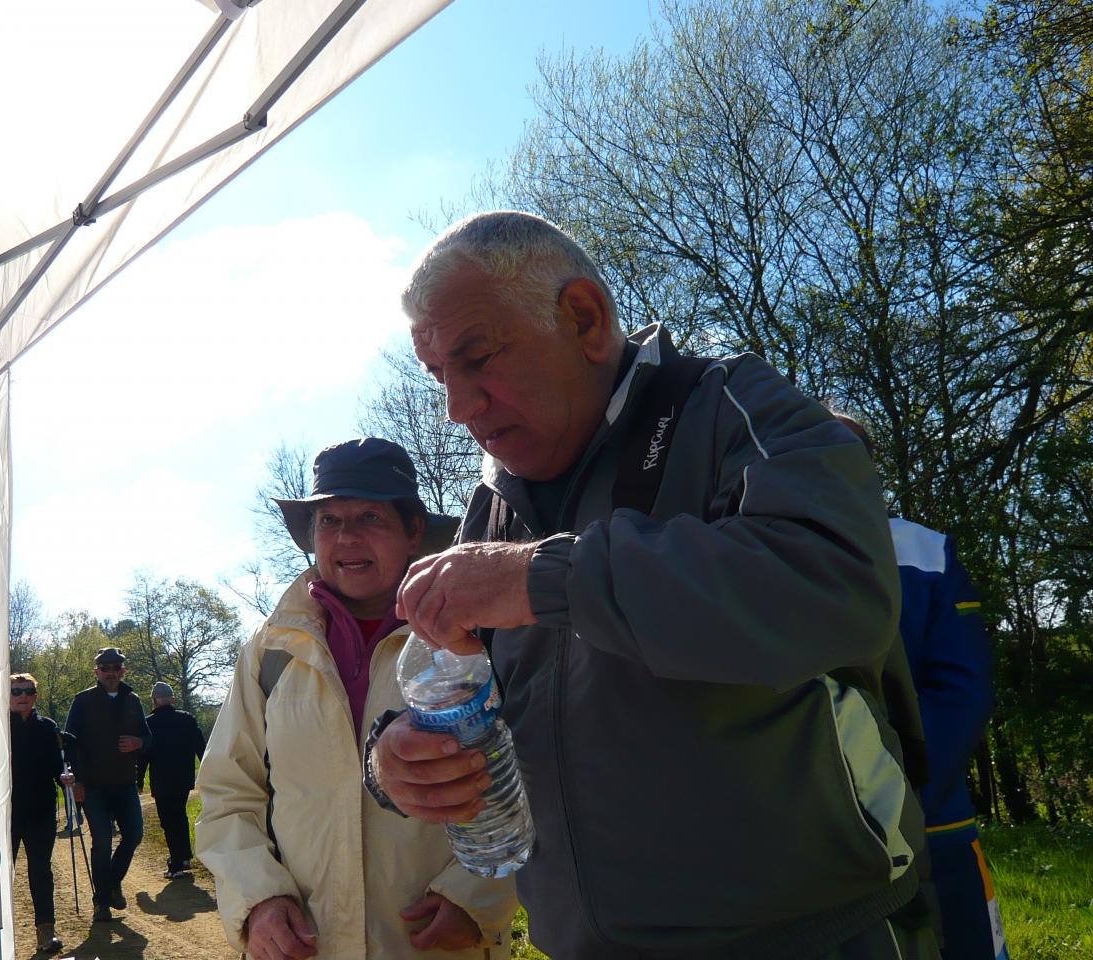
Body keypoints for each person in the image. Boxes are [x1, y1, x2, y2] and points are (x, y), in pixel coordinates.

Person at [366, 211, 935, 960]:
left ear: (584, 318)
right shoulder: (491, 509)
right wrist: (398, 758)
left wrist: (544, 576)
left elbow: (838, 583)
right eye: (441, 376)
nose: (457, 408)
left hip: (813, 936)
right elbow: (476, 689)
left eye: (478, 358)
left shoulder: (732, 406)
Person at [197, 438, 517, 960]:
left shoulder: (476, 635)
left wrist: (476, 899)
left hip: (435, 945)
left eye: (370, 516)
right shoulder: (271, 651)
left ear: (413, 531)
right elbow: (228, 793)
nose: (346, 537)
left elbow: (538, 774)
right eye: (328, 520)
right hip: (306, 946)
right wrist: (258, 899)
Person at [836, 414, 1008, 960]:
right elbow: (964, 688)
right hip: (929, 810)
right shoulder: (925, 548)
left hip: (849, 820)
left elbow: (963, 686)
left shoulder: (925, 550)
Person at [63, 647, 151, 922]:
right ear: (97, 671)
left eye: (116, 668)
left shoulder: (133, 700)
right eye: (105, 668)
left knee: (134, 835)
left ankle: (111, 883)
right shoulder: (83, 701)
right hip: (93, 786)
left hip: (125, 784)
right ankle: (101, 901)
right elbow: (69, 743)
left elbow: (148, 738)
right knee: (101, 841)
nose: (111, 673)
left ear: (123, 670)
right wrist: (75, 781)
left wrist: (139, 742)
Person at [9, 673, 66, 954]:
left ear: (35, 695)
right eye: (15, 690)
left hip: (41, 811)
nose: (22, 695)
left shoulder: (48, 727)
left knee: (41, 872)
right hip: (6, 814)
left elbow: (58, 766)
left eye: (27, 690)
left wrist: (67, 779)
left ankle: (46, 932)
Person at [137, 680, 206, 879]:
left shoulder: (149, 723)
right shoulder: (188, 719)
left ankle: (176, 863)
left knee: (168, 820)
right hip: (183, 778)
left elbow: (143, 755)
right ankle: (183, 857)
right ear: (172, 699)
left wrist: (139, 779)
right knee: (180, 815)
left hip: (162, 780)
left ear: (154, 701)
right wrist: (208, 769)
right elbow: (201, 747)